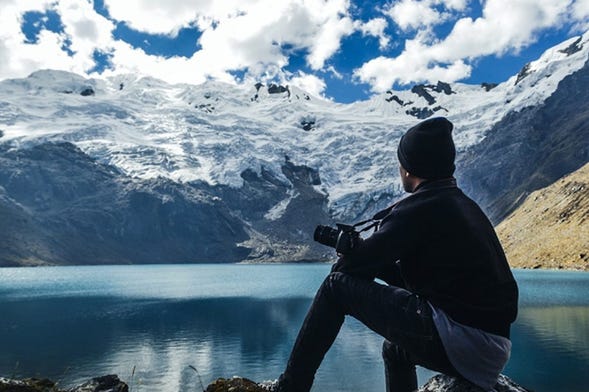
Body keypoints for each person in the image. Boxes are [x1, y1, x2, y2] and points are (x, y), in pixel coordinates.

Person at [263, 117, 519, 392]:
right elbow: (428, 289)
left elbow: (342, 276)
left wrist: (356, 256)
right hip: (492, 347)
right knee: (395, 350)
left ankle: (290, 388)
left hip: (463, 341)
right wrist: (378, 262)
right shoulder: (462, 205)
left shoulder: (418, 209)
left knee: (333, 288)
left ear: (409, 168)